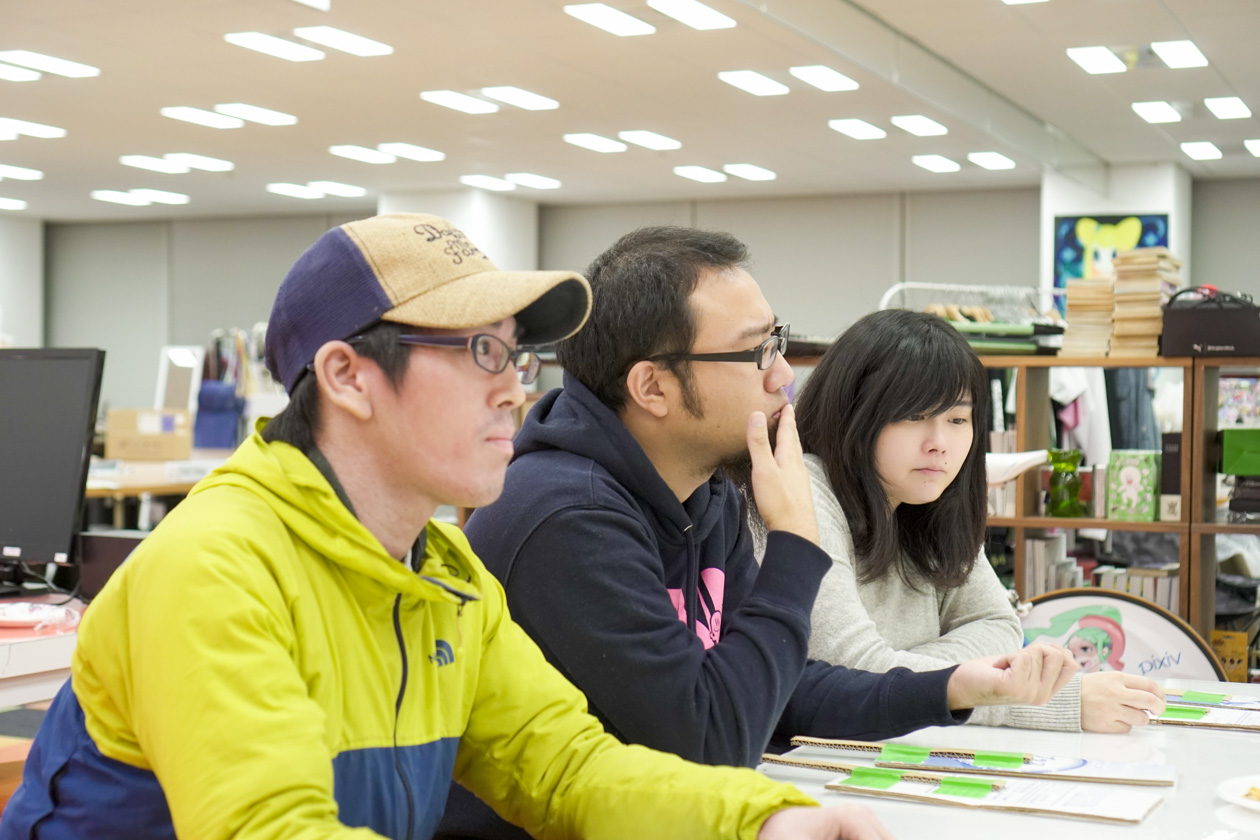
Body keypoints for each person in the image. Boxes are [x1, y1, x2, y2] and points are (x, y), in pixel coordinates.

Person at [1, 214, 899, 840]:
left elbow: (569, 773)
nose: (516, 385)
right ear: (349, 376)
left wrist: (768, 820)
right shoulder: (215, 568)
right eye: (480, 350)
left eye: (518, 352)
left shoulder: (446, 578)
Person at [441, 226, 1077, 838]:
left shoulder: (702, 490)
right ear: (653, 386)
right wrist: (795, 543)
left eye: (778, 342)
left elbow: (783, 689)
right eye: (757, 353)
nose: (782, 377)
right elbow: (713, 742)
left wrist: (947, 687)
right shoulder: (567, 519)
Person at [791, 308, 1164, 733]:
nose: (939, 444)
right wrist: (1050, 701)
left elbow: (998, 625)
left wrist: (904, 669)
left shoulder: (930, 498)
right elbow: (853, 674)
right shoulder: (805, 490)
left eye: (956, 419)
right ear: (853, 413)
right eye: (913, 416)